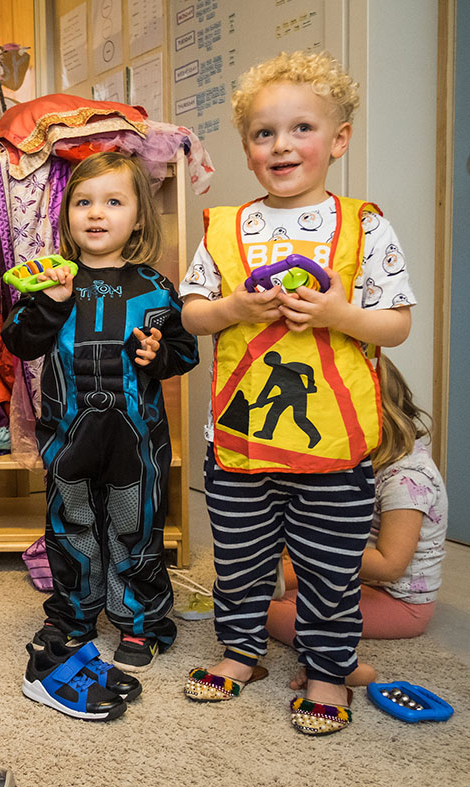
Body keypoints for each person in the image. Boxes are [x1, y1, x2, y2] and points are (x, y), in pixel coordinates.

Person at [178, 51, 415, 736]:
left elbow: (395, 323)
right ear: (248, 150)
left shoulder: (363, 225)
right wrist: (232, 311)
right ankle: (241, 650)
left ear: (337, 139)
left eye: (301, 128)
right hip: (239, 444)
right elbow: (192, 314)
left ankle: (325, 668)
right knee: (241, 559)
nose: (281, 145)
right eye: (262, 133)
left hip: (333, 452)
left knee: (329, 569)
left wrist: (340, 315)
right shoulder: (225, 228)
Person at [1, 151, 198, 720]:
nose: (96, 214)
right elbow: (18, 341)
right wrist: (50, 303)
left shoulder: (156, 288)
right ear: (66, 216)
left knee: (136, 528)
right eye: (83, 202)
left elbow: (184, 351)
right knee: (73, 526)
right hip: (69, 438)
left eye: (113, 202)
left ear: (138, 217)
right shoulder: (51, 280)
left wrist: (160, 355)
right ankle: (74, 614)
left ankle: (140, 620)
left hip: (137, 440)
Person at [267, 356, 446, 686]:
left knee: (276, 613)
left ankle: (342, 667)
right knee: (268, 592)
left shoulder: (408, 479)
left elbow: (389, 565)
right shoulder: (365, 463)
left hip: (400, 603)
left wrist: (308, 552)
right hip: (359, 579)